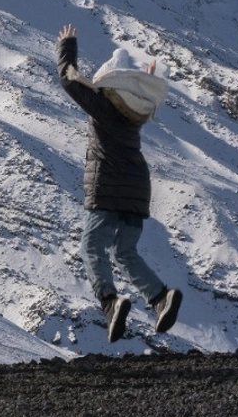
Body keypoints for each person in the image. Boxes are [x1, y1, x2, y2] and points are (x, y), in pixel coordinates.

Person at [58, 23, 182, 341]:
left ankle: (110, 302)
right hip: (138, 189)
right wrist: (148, 80)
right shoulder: (134, 114)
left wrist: (68, 45)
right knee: (124, 252)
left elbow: (69, 79)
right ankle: (159, 298)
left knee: (91, 247)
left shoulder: (105, 108)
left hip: (110, 187)